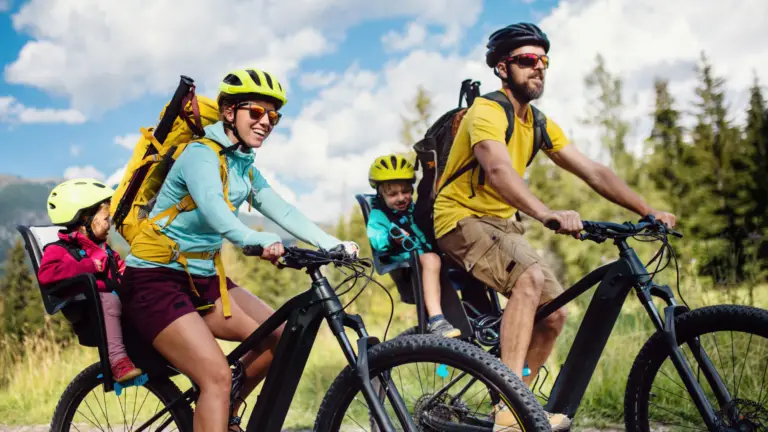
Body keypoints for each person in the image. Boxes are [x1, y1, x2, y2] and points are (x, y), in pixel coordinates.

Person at [432, 23, 677, 431]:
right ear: (501, 68)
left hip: (502, 225)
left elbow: (593, 171)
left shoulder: (539, 123)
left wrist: (647, 210)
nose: (539, 68)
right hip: (460, 218)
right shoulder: (488, 112)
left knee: (554, 316)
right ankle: (509, 413)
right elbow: (496, 169)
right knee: (529, 280)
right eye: (528, 60)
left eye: (544, 61)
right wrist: (545, 212)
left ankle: (519, 402)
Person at [119, 67, 359, 432]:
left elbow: (282, 209)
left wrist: (332, 244)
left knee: (280, 338)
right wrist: (255, 239)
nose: (266, 122)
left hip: (202, 279)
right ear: (229, 112)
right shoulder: (200, 155)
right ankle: (215, 398)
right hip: (155, 281)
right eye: (257, 112)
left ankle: (221, 410)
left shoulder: (243, 165)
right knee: (214, 376)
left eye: (273, 116)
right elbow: (215, 210)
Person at [39, 179, 142, 383]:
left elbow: (121, 271)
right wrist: (88, 266)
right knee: (109, 300)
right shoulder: (58, 250)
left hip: (119, 308)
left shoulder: (105, 250)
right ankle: (118, 361)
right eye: (106, 219)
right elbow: (46, 274)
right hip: (90, 313)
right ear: (86, 220)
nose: (109, 225)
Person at [366, 154, 460, 338]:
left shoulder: (414, 210)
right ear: (380, 194)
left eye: (406, 191)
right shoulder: (378, 216)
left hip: (425, 260)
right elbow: (377, 240)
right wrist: (393, 238)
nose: (401, 198)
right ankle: (436, 320)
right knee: (432, 259)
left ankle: (480, 314)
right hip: (407, 268)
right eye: (393, 194)